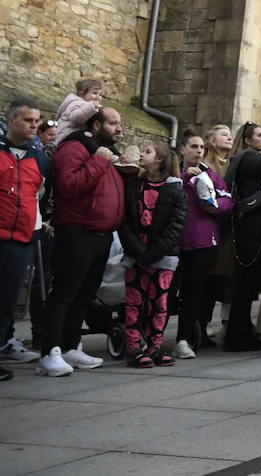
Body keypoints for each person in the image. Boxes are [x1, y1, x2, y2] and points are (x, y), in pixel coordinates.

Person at [40, 106, 131, 375]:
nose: (119, 128)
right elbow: (69, 185)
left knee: (84, 295)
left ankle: (71, 347)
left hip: (101, 235)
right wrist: (100, 161)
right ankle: (49, 352)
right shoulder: (74, 148)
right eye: (113, 123)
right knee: (65, 294)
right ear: (94, 126)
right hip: (78, 233)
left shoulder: (102, 152)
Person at [118, 140, 187, 367]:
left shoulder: (175, 189)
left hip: (163, 257)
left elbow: (176, 226)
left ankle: (154, 346)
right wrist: (138, 250)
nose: (141, 155)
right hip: (137, 254)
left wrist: (155, 253)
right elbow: (126, 220)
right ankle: (134, 346)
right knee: (134, 301)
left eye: (147, 151)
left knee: (159, 302)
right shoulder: (134, 186)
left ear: (159, 159)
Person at [173, 134, 233, 358]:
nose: (199, 151)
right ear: (183, 150)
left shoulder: (211, 175)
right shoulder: (175, 174)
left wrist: (216, 207)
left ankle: (183, 339)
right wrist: (183, 178)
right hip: (175, 241)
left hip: (204, 241)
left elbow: (227, 199)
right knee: (168, 293)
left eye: (201, 148)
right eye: (193, 147)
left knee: (194, 292)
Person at [0, 100, 46, 378]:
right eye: (29, 120)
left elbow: (39, 194)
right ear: (11, 120)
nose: (34, 125)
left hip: (22, 238)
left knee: (7, 301)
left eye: (36, 120)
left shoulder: (38, 157)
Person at [223, 122, 261, 351]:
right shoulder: (250, 158)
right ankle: (238, 334)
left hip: (249, 227)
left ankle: (240, 331)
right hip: (251, 229)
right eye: (259, 135)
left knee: (246, 286)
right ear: (247, 139)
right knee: (245, 285)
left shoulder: (243, 158)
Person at [49, 78, 103, 147]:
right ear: (82, 94)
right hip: (65, 134)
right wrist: (91, 106)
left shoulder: (88, 105)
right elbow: (76, 117)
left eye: (100, 94)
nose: (98, 97)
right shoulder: (76, 103)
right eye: (95, 93)